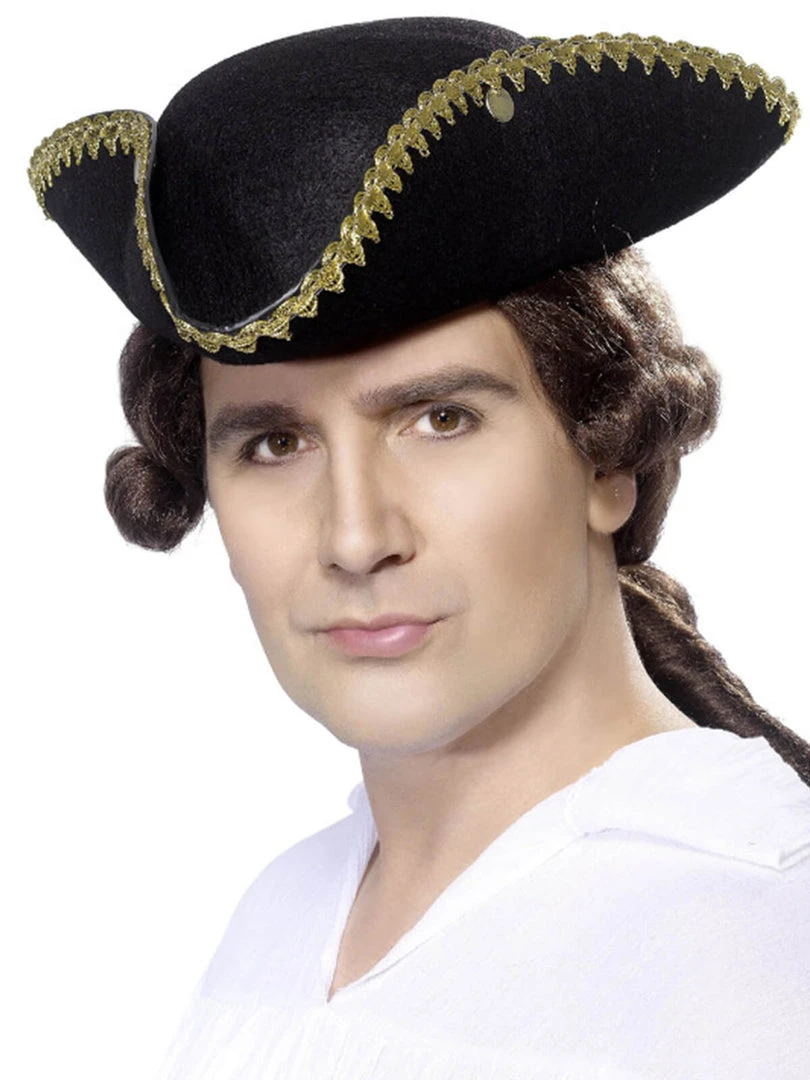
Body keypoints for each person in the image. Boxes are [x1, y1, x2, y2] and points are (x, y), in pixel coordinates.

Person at [28, 16, 810, 1078]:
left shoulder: (754, 953)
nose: (356, 538)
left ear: (609, 455)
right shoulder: (285, 914)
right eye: (274, 443)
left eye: (441, 419)